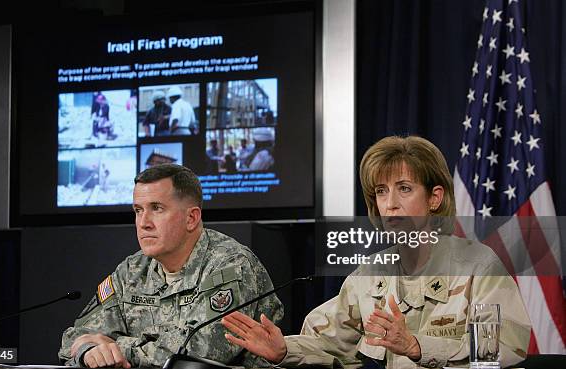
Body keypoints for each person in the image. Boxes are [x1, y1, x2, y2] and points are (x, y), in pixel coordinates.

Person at [221, 135, 531, 369]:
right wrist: (284, 350)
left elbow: (501, 349)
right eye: (381, 191)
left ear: (435, 198)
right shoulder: (370, 275)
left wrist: (416, 346)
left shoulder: (477, 266)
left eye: (404, 188)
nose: (390, 203)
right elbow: (328, 343)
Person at [59, 164, 284, 368]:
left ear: (191, 218)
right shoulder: (132, 270)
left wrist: (117, 348)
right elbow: (76, 337)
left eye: (157, 208)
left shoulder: (230, 265)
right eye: (138, 210)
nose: (144, 223)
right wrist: (88, 351)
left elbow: (199, 353)